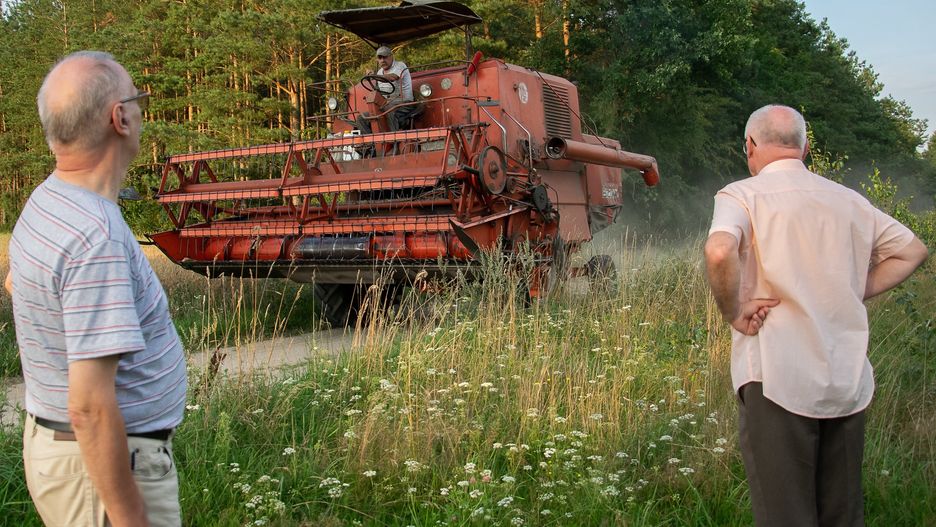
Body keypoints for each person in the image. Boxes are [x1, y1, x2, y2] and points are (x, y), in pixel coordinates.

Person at [704, 104, 928, 526]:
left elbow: (719, 251)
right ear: (805, 148)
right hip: (846, 377)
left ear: (749, 146)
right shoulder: (849, 200)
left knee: (786, 515)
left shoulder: (741, 195)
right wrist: (852, 288)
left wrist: (733, 311)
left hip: (776, 377)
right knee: (842, 514)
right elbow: (912, 250)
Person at [8, 51, 187, 526]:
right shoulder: (95, 236)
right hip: (102, 468)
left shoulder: (49, 200)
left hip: (69, 455)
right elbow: (89, 407)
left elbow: (19, 282)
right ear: (120, 117)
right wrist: (131, 517)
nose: (142, 110)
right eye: (139, 99)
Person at [356, 45, 416, 134]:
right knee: (362, 118)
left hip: (405, 103)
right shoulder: (380, 72)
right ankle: (372, 144)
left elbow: (393, 77)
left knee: (389, 110)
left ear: (391, 56)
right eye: (380, 58)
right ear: (377, 59)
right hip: (387, 104)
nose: (382, 60)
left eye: (385, 57)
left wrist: (375, 76)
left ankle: (395, 140)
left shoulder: (400, 65)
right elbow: (380, 91)